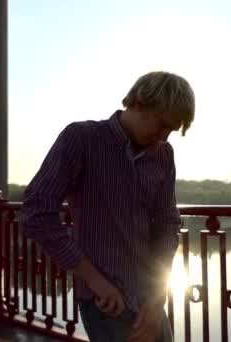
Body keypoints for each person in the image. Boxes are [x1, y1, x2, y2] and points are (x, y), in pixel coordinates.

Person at [20, 71, 195, 342]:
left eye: (171, 131)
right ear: (139, 103)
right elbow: (36, 211)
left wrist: (157, 298)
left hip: (149, 298)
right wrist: (94, 280)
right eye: (161, 126)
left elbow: (167, 223)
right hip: (105, 300)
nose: (164, 138)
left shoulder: (162, 154)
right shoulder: (82, 139)